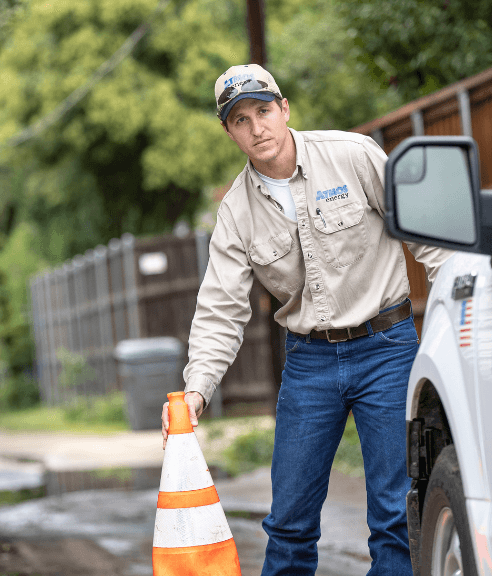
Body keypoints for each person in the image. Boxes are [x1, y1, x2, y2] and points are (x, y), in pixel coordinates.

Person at [161, 63, 452, 576]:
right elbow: (221, 307)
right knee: (290, 521)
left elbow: (428, 237)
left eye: (264, 112)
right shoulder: (234, 212)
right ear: (229, 131)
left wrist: (459, 309)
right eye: (241, 120)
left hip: (387, 349)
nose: (257, 128)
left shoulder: (354, 155)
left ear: (285, 108)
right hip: (310, 364)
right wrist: (197, 389)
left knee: (393, 512)